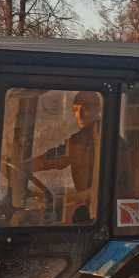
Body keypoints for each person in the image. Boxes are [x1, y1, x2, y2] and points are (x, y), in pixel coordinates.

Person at [28, 91, 101, 221]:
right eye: (76, 110)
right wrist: (22, 166)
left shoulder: (105, 141)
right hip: (89, 209)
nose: (80, 115)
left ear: (98, 109)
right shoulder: (81, 139)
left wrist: (59, 201)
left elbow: (96, 192)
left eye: (86, 109)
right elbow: (53, 159)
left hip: (98, 213)